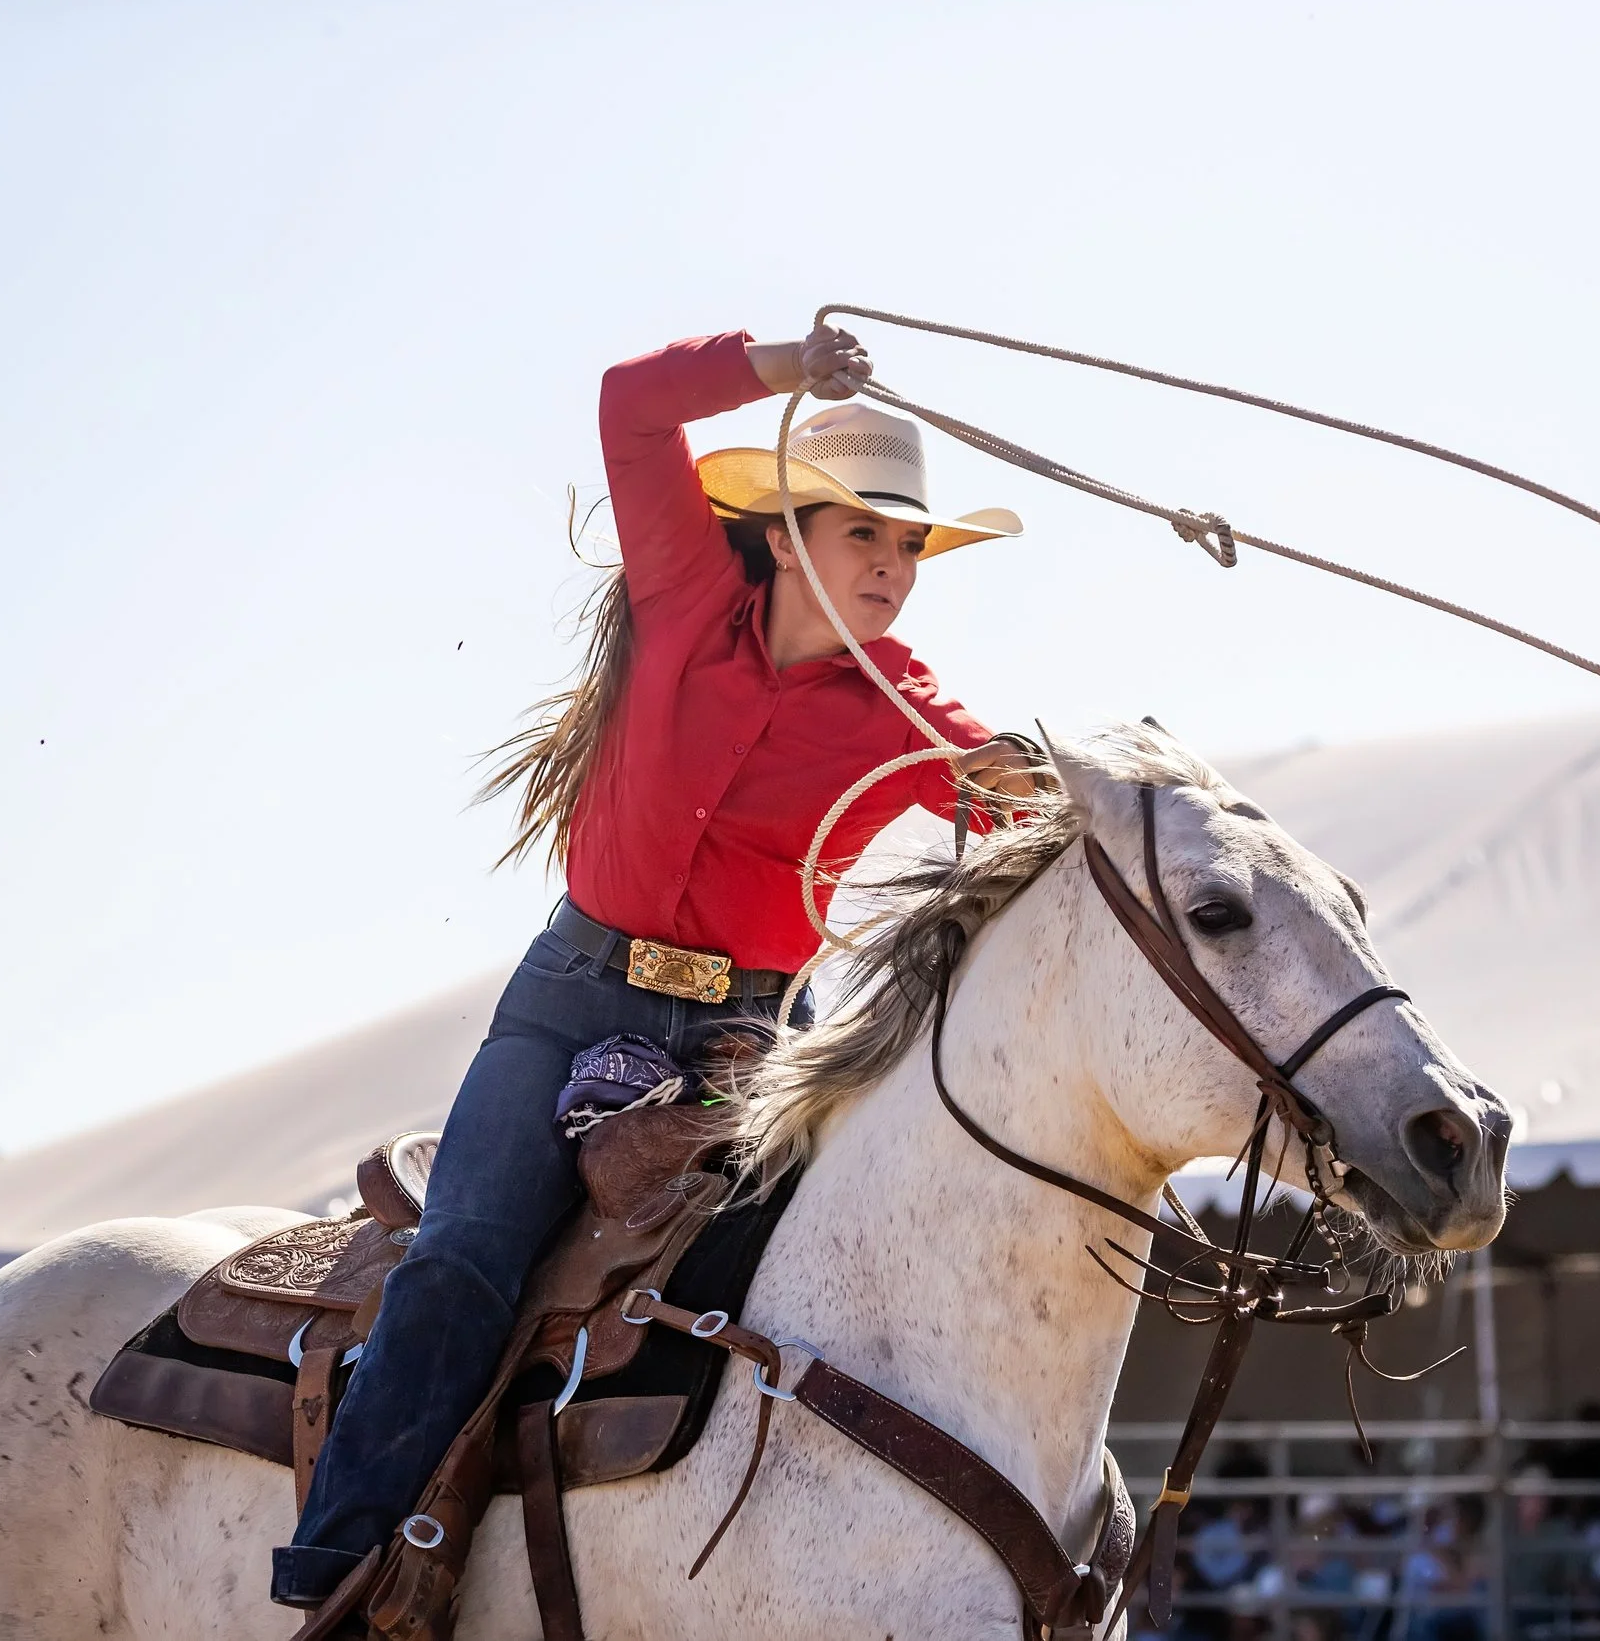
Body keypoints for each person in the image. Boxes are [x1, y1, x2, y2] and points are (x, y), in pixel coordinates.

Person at [271, 323, 1032, 1610]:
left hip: (751, 1042)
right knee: (463, 1255)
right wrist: (779, 363)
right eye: (866, 534)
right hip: (572, 997)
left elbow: (999, 795)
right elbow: (630, 404)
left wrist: (1016, 776)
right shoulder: (683, 593)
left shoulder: (905, 704)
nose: (896, 568)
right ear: (785, 534)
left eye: (910, 547)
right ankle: (343, 1571)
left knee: (816, 1291)